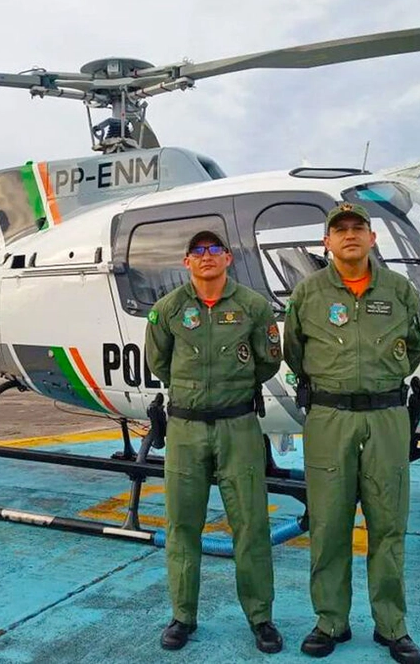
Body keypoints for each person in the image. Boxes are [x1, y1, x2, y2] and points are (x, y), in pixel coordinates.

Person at [283, 203, 420, 664]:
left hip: (387, 416)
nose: (349, 235)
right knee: (328, 524)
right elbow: (293, 351)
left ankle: (392, 626)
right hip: (330, 418)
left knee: (389, 524)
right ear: (326, 242)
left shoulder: (400, 290)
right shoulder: (307, 293)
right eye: (339, 229)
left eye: (358, 228)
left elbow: (417, 345)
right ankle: (331, 622)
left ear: (372, 239)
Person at [145, 230, 283, 654]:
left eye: (214, 251)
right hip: (185, 430)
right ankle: (182, 617)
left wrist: (230, 391)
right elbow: (158, 361)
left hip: (238, 426)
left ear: (228, 258)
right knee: (183, 526)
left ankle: (261, 618)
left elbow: (269, 360)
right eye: (197, 252)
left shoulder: (253, 307)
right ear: (187, 262)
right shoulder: (168, 310)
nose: (206, 257)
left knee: (251, 525)